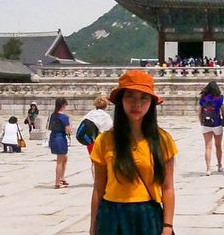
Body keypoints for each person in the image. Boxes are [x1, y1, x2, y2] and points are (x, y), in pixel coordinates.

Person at [90, 70, 177, 235]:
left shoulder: (163, 140)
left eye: (143, 98)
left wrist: (167, 226)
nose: (136, 104)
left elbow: (168, 188)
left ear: (151, 102)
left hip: (147, 216)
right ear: (121, 100)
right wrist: (93, 227)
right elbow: (98, 188)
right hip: (111, 215)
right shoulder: (105, 140)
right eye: (130, 96)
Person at [82, 96, 114, 178]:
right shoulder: (105, 116)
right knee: (103, 162)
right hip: (100, 141)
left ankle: (95, 179)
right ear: (106, 105)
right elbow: (109, 130)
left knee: (93, 161)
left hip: (89, 140)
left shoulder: (90, 113)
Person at [198, 81, 224, 176]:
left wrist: (201, 122)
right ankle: (219, 165)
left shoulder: (203, 98)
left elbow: (199, 112)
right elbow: (223, 111)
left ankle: (208, 169)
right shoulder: (220, 98)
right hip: (217, 123)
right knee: (218, 146)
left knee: (208, 147)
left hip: (206, 124)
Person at [48, 97, 72, 189]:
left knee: (64, 158)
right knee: (60, 161)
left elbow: (49, 127)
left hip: (53, 137)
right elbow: (68, 130)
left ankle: (62, 177)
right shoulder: (64, 117)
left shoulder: (53, 115)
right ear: (63, 105)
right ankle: (57, 182)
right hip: (60, 138)